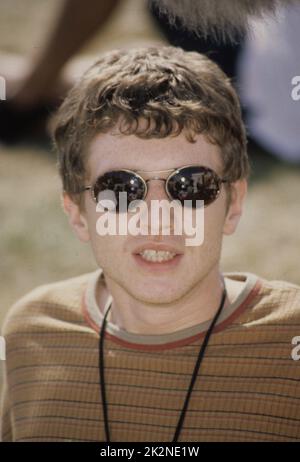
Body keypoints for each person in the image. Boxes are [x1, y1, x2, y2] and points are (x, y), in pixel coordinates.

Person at [1, 46, 300, 442]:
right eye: (120, 189)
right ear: (77, 213)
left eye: (190, 186)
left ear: (233, 204)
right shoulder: (31, 333)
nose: (157, 218)